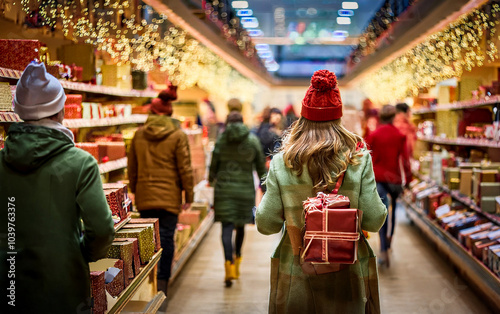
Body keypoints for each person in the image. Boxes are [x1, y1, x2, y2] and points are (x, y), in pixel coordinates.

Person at [256, 70, 387, 313]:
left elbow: (266, 224)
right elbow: (374, 219)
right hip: (347, 275)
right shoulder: (358, 160)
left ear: (303, 118)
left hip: (295, 273)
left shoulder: (282, 162)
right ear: (339, 119)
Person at [0, 62, 115, 314]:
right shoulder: (80, 163)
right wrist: (81, 253)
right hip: (63, 286)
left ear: (18, 111)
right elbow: (103, 229)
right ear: (60, 110)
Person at [128, 83, 194, 297]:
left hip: (146, 196)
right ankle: (162, 286)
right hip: (169, 197)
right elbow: (185, 169)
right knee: (166, 238)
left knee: (147, 241)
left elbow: (133, 168)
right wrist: (188, 195)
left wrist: (135, 190)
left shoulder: (139, 135)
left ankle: (147, 284)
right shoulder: (178, 135)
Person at [209, 111, 266, 287]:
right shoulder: (252, 140)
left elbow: (214, 164)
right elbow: (260, 166)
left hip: (224, 190)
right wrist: (265, 186)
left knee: (226, 227)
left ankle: (229, 266)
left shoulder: (221, 140)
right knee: (240, 226)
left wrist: (211, 179)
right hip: (244, 190)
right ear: (242, 122)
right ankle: (238, 260)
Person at [366, 105, 412, 267]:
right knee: (392, 213)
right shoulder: (399, 135)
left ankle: (383, 249)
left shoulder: (374, 135)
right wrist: (409, 179)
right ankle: (389, 242)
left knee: (382, 212)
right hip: (394, 179)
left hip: (378, 179)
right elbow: (405, 160)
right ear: (393, 117)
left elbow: (367, 158)